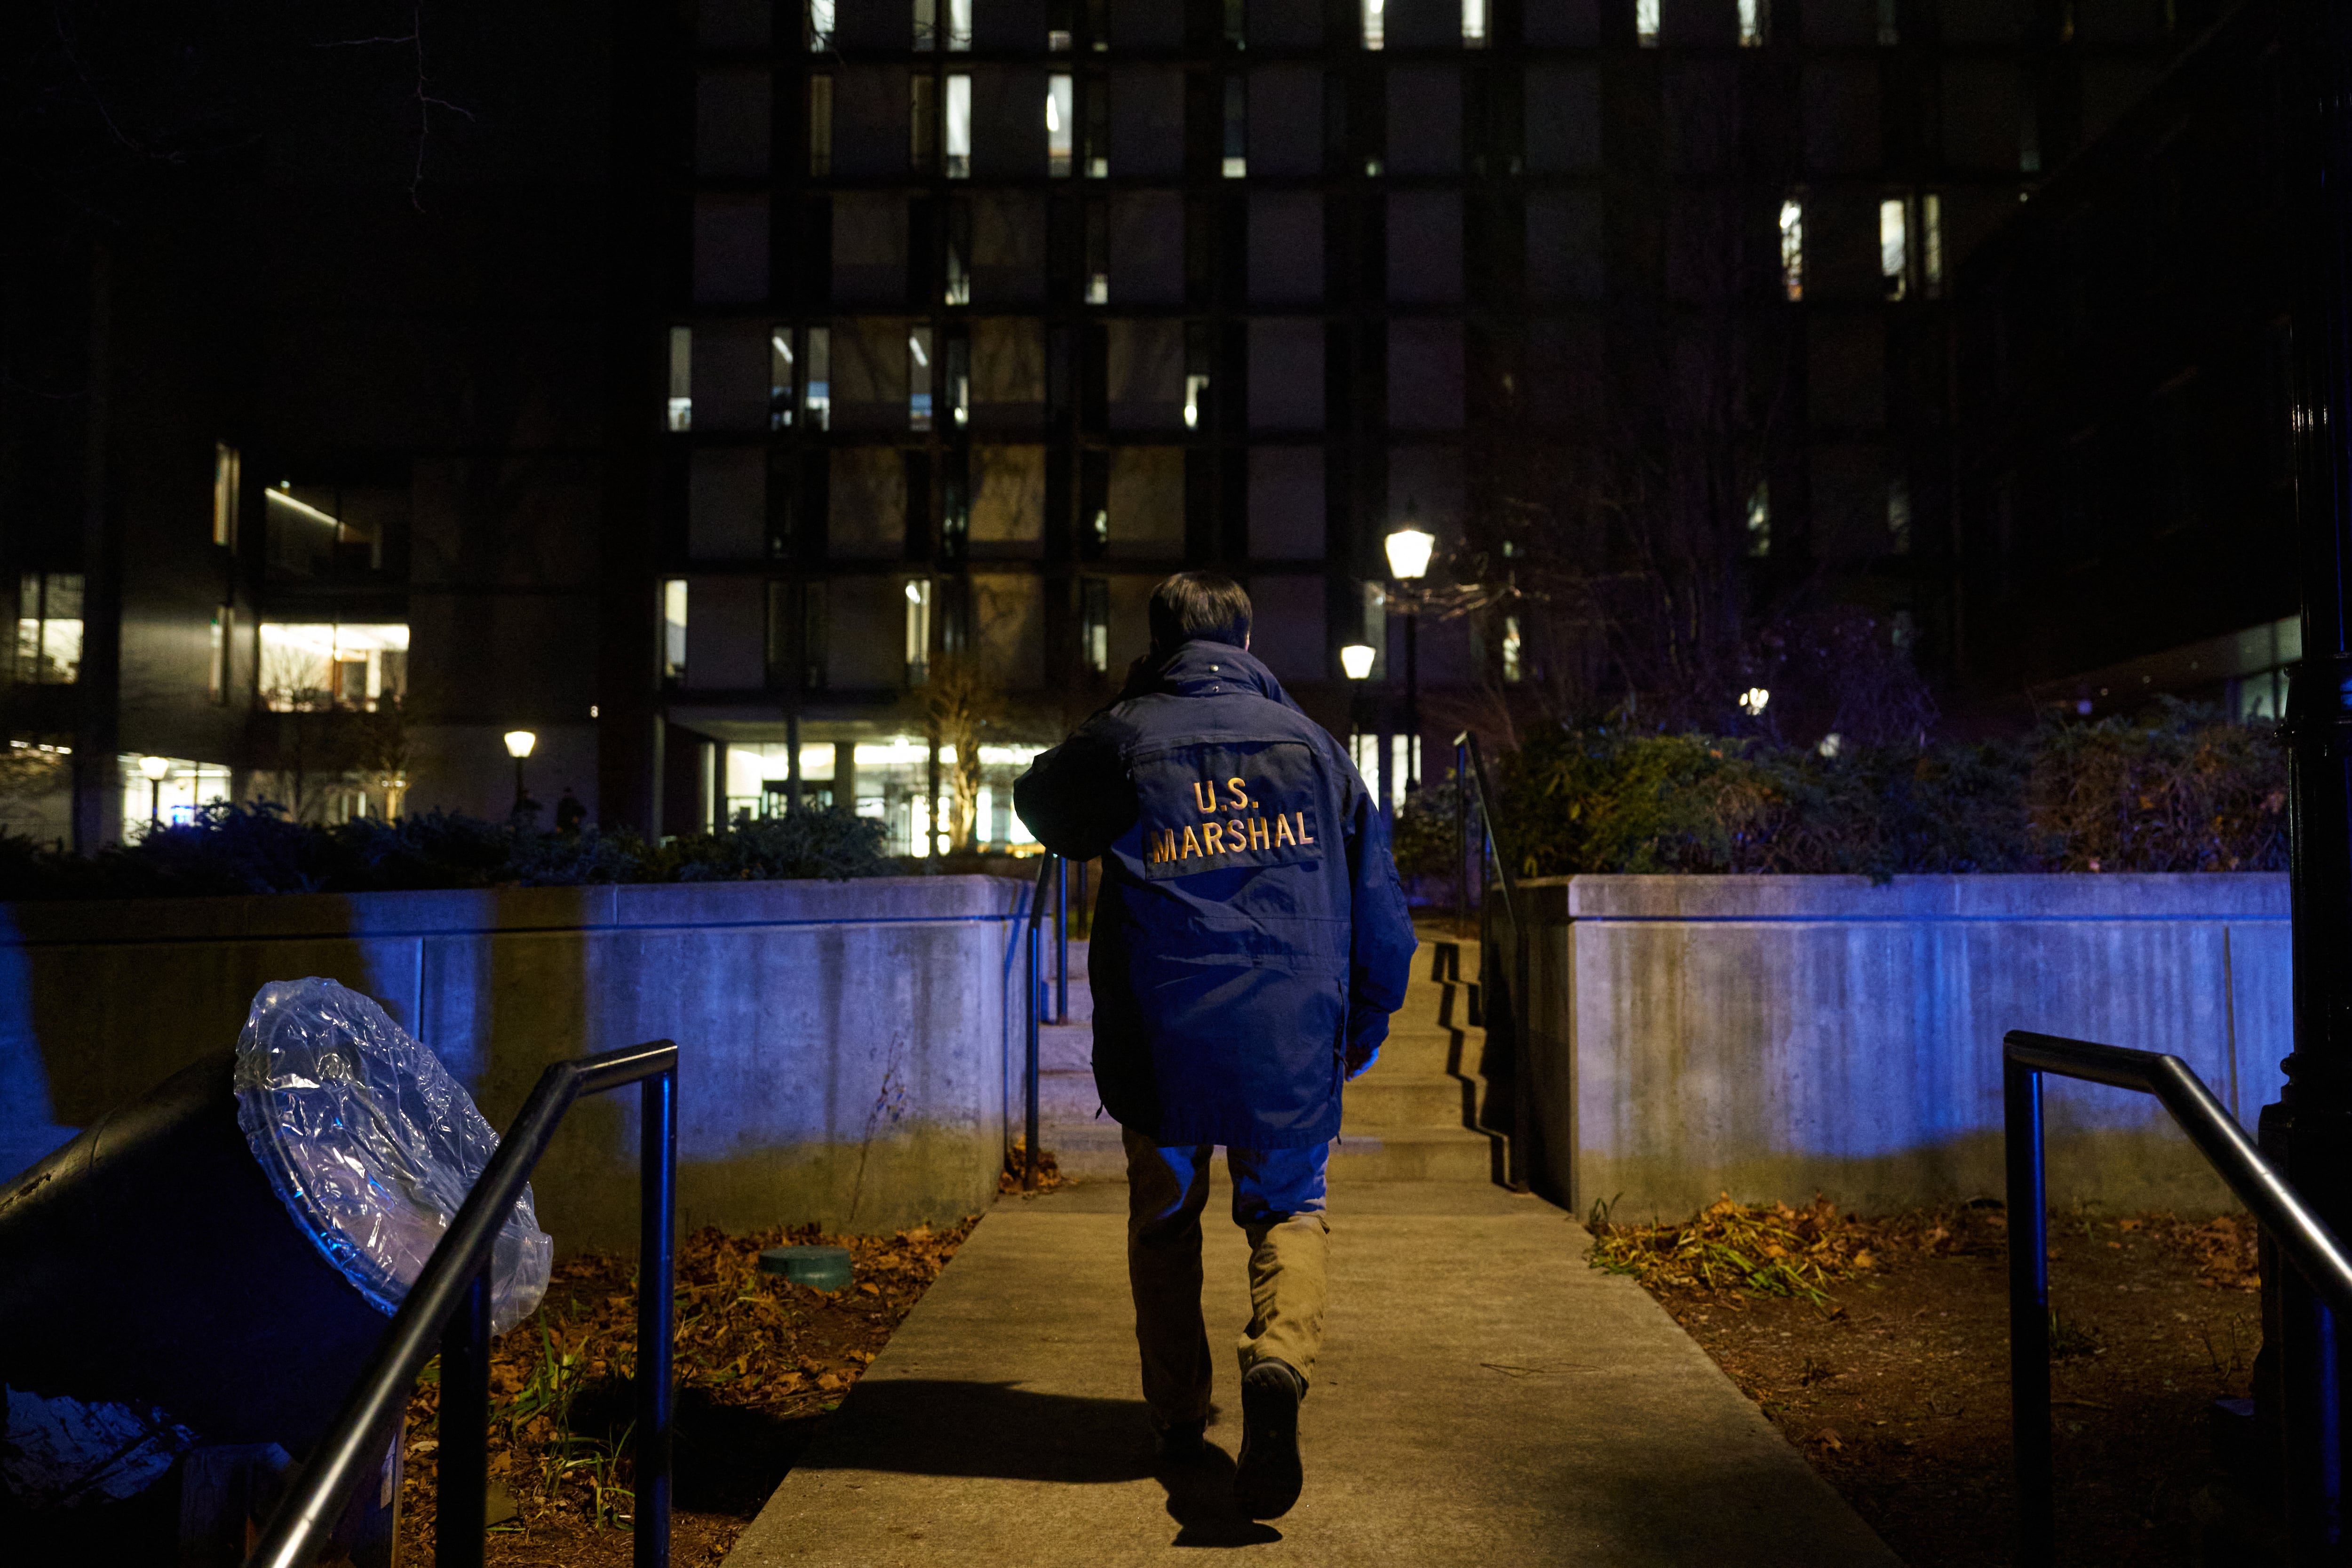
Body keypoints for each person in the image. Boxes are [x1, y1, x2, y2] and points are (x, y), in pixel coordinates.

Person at [1014, 571, 1416, 1520]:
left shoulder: (1126, 735)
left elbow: (1043, 808)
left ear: (1158, 643)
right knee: (1289, 1208)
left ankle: (1180, 1412)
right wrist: (1356, 1028)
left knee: (1166, 1218)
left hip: (1165, 1028)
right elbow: (1382, 917)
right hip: (1290, 1027)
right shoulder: (1315, 748)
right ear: (1248, 638)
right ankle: (1277, 1356)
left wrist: (1127, 701)